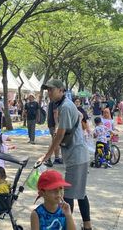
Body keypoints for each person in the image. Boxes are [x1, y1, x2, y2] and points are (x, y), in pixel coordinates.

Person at [37, 79, 92, 230]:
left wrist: (46, 156)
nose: (49, 93)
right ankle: (87, 225)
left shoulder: (66, 107)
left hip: (77, 156)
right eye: (47, 90)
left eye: (52, 89)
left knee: (67, 194)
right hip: (75, 155)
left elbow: (60, 135)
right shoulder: (61, 105)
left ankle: (66, 225)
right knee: (80, 192)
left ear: (61, 90)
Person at [44, 93, 63, 167]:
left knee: (55, 141)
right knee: (55, 141)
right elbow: (55, 113)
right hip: (54, 124)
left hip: (51, 124)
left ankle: (56, 158)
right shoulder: (55, 102)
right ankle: (48, 158)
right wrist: (57, 125)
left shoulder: (51, 101)